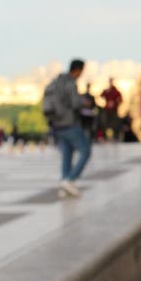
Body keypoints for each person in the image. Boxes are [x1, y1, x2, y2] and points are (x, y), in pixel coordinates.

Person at [46, 59, 91, 198]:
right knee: (85, 151)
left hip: (57, 124)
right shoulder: (70, 83)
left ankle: (64, 185)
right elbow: (74, 102)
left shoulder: (56, 82)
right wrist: (85, 102)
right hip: (70, 123)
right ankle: (70, 179)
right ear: (77, 70)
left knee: (67, 154)